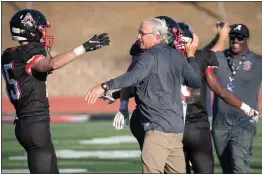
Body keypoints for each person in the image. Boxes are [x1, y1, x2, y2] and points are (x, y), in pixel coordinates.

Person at [101, 20, 260, 174]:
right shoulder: (195, 57)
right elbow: (217, 89)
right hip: (193, 126)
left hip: (169, 125)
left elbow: (138, 82)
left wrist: (118, 97)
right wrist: (247, 108)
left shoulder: (161, 56)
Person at [85, 17, 201, 173]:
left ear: (157, 37)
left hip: (157, 131)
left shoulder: (149, 56)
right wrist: (191, 55)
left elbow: (131, 77)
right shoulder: (177, 56)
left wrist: (104, 86)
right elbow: (195, 81)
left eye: (142, 33)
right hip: (176, 132)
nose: (138, 37)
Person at [1, 9, 110, 174]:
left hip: (26, 122)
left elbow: (33, 72)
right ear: (29, 29)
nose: (44, 33)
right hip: (34, 123)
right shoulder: (29, 52)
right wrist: (83, 48)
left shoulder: (9, 54)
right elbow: (49, 65)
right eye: (41, 28)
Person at [210, 23, 262, 173]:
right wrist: (218, 36)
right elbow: (203, 58)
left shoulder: (257, 61)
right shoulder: (219, 57)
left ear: (247, 39)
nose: (236, 40)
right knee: (228, 169)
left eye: (240, 37)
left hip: (244, 123)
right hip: (220, 125)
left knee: (239, 166)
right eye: (232, 36)